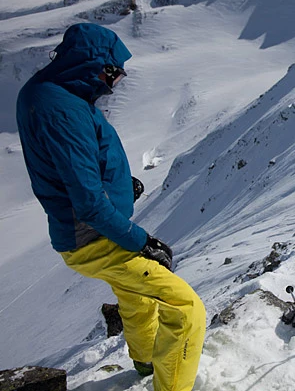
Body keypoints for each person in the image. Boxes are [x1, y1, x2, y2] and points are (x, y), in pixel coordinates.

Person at [15, 23, 206, 391]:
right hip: (94, 236)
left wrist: (120, 186)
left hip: (89, 228)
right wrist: (142, 241)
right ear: (90, 64)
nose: (117, 80)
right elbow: (87, 202)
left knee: (136, 299)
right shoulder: (63, 110)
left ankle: (145, 360)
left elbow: (76, 169)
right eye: (113, 70)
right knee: (186, 309)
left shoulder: (58, 94)